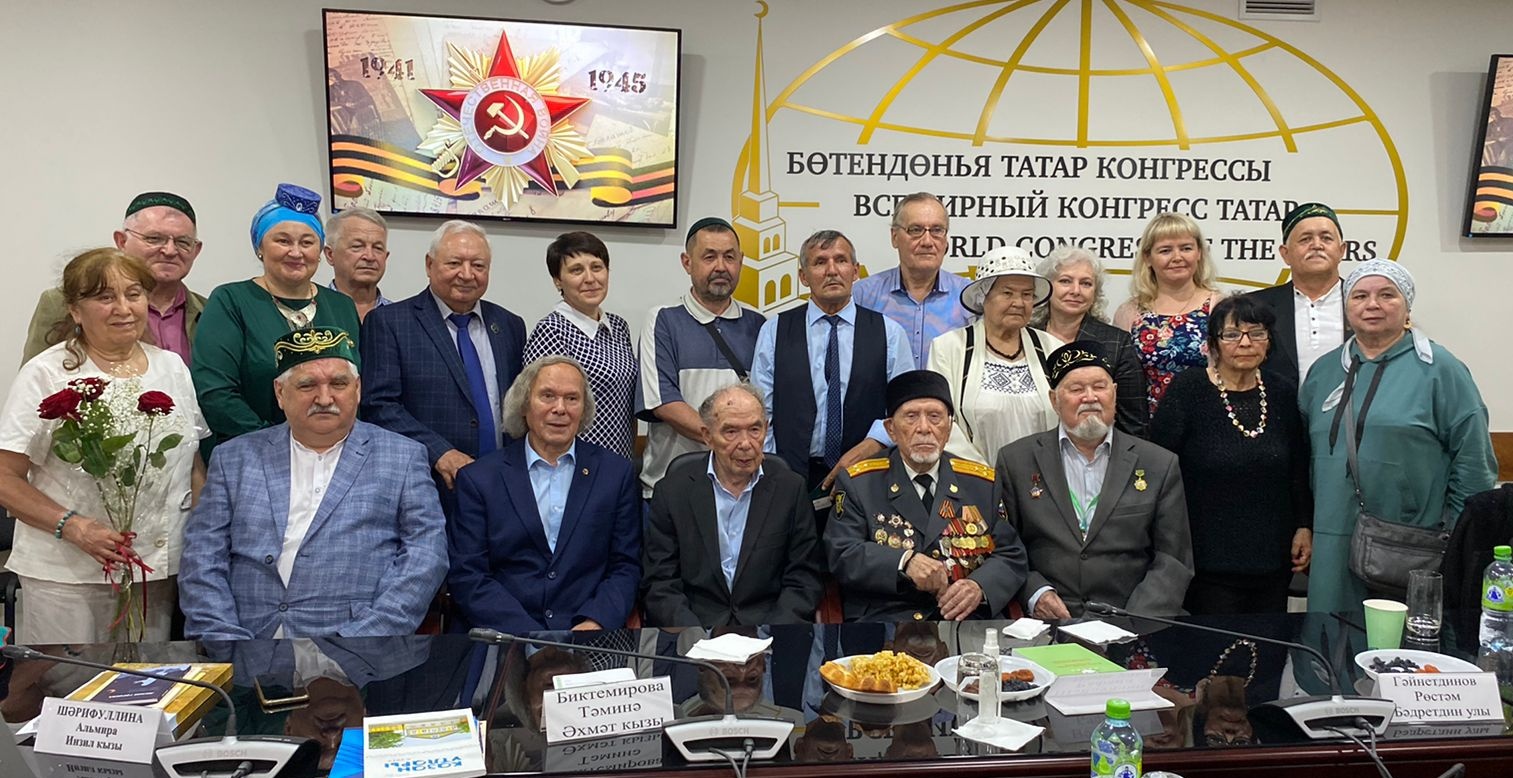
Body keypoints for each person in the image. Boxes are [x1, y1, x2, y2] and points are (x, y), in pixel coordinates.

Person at [179, 327, 448, 640]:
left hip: (358, 643)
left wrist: (367, 637)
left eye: (338, 384)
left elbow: (425, 555)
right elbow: (202, 556)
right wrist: (224, 638)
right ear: (280, 393)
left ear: (357, 389)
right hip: (247, 638)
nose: (324, 398)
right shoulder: (235, 458)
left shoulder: (402, 457)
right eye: (307, 385)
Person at [0, 249, 207, 643]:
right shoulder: (46, 373)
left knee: (144, 676)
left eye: (134, 294)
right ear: (75, 310)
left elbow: (192, 462)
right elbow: (4, 477)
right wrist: (73, 526)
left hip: (154, 570)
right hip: (68, 573)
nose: (123, 308)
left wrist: (200, 545)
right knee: (71, 678)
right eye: (105, 297)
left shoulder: (171, 367)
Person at [1299, 260, 1497, 612]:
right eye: (1360, 296)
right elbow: (1304, 458)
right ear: (1347, 309)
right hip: (1332, 543)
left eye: (1387, 295)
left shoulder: (1440, 370)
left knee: (1401, 640)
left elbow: (1474, 464)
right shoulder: (1323, 372)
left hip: (1412, 544)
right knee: (1330, 635)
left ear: (1407, 308)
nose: (1372, 304)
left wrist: (1457, 537)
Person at [995, 341, 1192, 619]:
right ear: (1054, 400)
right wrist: (1035, 593)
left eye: (1100, 387)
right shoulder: (1016, 460)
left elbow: (1173, 560)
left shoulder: (1158, 463)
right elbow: (1006, 547)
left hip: (1132, 620)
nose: (1090, 397)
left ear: (1114, 393)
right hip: (1049, 621)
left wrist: (1133, 621)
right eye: (1076, 389)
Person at [447, 356, 640, 633]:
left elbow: (626, 566)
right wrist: (531, 636)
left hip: (587, 634)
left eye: (572, 399)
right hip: (504, 635)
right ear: (524, 404)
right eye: (548, 396)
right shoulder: (479, 479)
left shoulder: (615, 474)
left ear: (584, 409)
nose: (560, 409)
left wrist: (595, 621)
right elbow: (468, 574)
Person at [1151, 295, 1312, 615]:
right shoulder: (1190, 389)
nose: (1246, 343)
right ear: (1213, 343)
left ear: (1269, 341)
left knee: (1268, 642)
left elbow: (1297, 466)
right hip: (1204, 562)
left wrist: (1304, 525)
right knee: (1211, 644)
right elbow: (1158, 467)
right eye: (1232, 334)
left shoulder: (1281, 391)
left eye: (1257, 333)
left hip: (1273, 560)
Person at [825, 370, 1029, 623]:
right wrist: (903, 562)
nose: (924, 428)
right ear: (891, 429)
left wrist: (979, 586)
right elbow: (842, 552)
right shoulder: (860, 482)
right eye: (911, 417)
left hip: (965, 619)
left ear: (949, 428)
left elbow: (1010, 554)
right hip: (887, 619)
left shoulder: (981, 483)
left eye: (935, 417)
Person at [360, 220, 527, 514]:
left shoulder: (510, 325)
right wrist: (440, 453)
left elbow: (517, 405)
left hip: (503, 487)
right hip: (429, 485)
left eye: (478, 265)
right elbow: (379, 406)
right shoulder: (390, 323)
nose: (467, 274)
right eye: (454, 263)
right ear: (429, 264)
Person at [192, 184, 360, 455]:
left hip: (337, 453)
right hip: (253, 451)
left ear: (320, 250)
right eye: (283, 241)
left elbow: (355, 386)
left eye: (307, 242)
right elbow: (215, 392)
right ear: (260, 246)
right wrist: (278, 445)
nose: (296, 252)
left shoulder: (341, 305)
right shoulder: (231, 300)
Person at [642, 383, 824, 627]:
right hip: (695, 629)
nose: (746, 443)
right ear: (707, 436)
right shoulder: (672, 492)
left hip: (769, 629)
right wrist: (693, 635)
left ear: (766, 429)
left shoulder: (790, 489)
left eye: (755, 430)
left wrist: (772, 633)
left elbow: (804, 579)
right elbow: (660, 583)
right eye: (731, 432)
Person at [750, 230, 914, 500]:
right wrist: (771, 471)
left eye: (841, 260)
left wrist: (871, 446)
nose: (832, 270)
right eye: (819, 262)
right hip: (788, 479)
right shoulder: (774, 330)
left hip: (868, 479)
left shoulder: (889, 333)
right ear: (803, 276)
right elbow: (760, 412)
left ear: (855, 271)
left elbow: (904, 410)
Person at [637, 217, 766, 500]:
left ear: (741, 261)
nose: (721, 266)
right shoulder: (662, 320)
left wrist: (733, 448)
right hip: (672, 487)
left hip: (743, 489)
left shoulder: (760, 325)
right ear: (687, 262)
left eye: (729, 257)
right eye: (709, 257)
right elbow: (664, 403)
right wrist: (727, 443)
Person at [24, 192, 206, 366]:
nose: (170, 251)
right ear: (122, 241)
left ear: (196, 251)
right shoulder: (65, 302)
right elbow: (38, 379)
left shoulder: (210, 311)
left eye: (183, 242)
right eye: (154, 238)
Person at [926, 246, 1061, 465]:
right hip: (971, 476)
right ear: (983, 296)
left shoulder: (1052, 348)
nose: (1018, 303)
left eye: (1027, 294)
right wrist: (983, 475)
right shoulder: (948, 348)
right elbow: (939, 419)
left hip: (1042, 477)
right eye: (1007, 293)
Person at [523, 231, 637, 460]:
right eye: (577, 270)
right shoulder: (551, 331)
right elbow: (541, 412)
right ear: (558, 280)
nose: (590, 278)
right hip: (572, 463)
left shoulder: (618, 327)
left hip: (619, 460)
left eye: (597, 267)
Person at [1114, 212, 1224, 417]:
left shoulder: (1220, 307)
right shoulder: (1129, 313)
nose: (1177, 257)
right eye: (1165, 250)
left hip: (1207, 423)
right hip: (1145, 427)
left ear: (1199, 253)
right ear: (1147, 258)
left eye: (1186, 248)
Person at [1034, 246, 1149, 437]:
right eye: (1065, 281)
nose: (1076, 290)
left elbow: (1134, 425)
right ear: (1047, 287)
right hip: (1032, 448)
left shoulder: (1117, 343)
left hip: (1097, 449)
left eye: (1086, 283)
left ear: (1095, 293)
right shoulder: (1026, 336)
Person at [852, 192, 972, 367]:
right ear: (894, 237)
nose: (927, 242)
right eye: (915, 230)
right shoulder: (862, 296)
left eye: (937, 230)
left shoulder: (969, 298)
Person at [1246, 202, 1350, 384]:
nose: (1317, 245)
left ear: (1342, 251)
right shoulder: (1255, 305)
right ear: (1285, 254)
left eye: (1326, 238)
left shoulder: (1365, 304)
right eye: (1305, 239)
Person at [323, 207, 391, 321]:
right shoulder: (312, 314)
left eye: (378, 248)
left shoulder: (400, 318)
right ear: (330, 254)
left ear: (386, 257)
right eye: (357, 246)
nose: (369, 257)